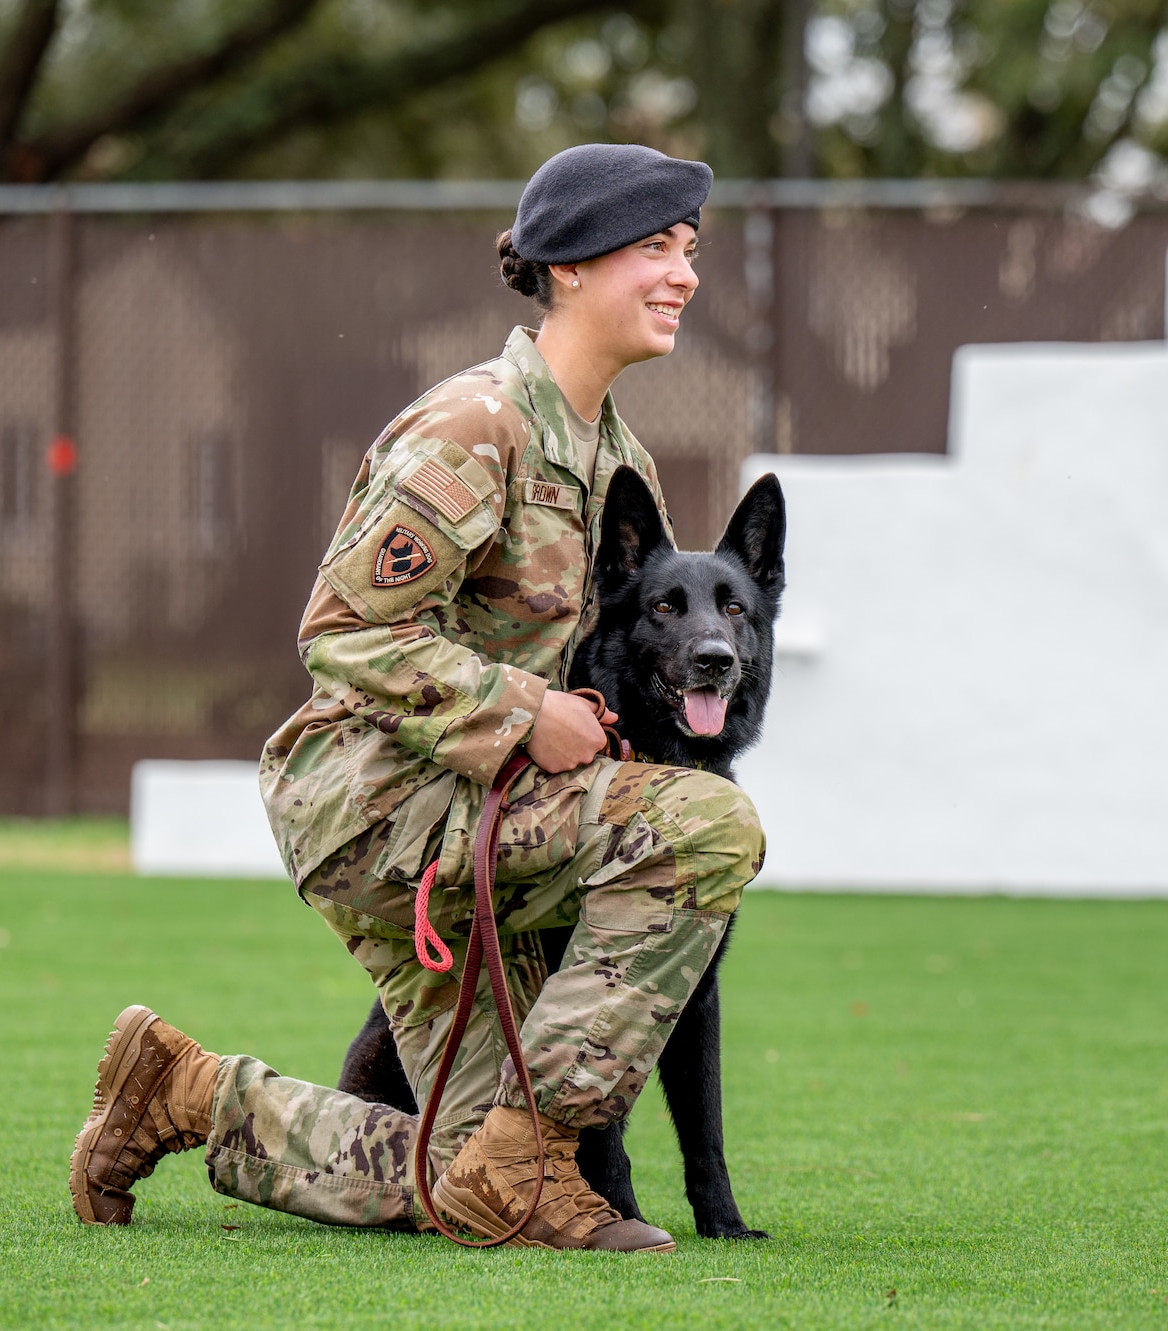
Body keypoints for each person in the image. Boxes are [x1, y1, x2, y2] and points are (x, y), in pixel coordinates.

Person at [67, 144, 764, 1254]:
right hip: (378, 806)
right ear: (569, 266)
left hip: (486, 821)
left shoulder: (614, 454)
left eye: (688, 251)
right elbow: (342, 630)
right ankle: (534, 1156)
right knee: (710, 826)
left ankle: (186, 1093)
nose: (682, 274)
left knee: (457, 1179)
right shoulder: (473, 425)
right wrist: (523, 712)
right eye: (653, 250)